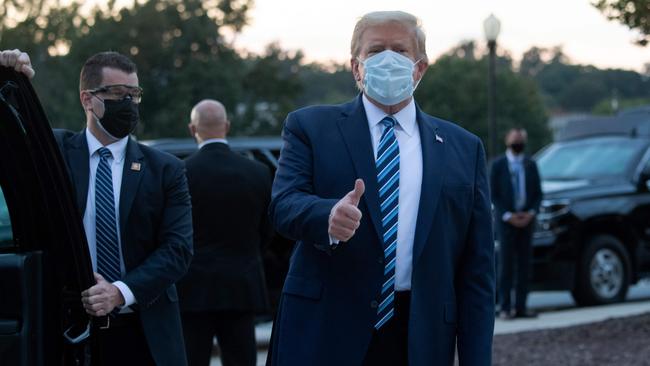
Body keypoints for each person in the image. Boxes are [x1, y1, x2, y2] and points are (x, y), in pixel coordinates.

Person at [267, 11, 495, 366]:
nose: (388, 59)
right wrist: (326, 216)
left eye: (400, 50)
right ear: (356, 67)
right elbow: (283, 205)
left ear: (420, 67)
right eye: (375, 51)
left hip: (420, 334)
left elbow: (477, 270)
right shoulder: (310, 127)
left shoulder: (463, 147)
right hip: (326, 329)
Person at [0, 49, 193, 365]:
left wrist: (119, 291)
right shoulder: (56, 152)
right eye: (118, 94)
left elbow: (178, 249)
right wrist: (13, 80)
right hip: (68, 330)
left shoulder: (165, 169)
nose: (129, 104)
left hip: (143, 332)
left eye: (135, 95)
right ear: (88, 99)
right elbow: (12, 140)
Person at [177, 99, 273, 366]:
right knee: (241, 359)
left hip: (192, 287)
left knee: (192, 359)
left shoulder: (180, 172)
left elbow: (173, 233)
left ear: (191, 128)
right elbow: (267, 230)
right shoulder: (258, 172)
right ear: (227, 126)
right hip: (241, 285)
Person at [490, 128, 542, 319]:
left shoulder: (530, 164)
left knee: (524, 265)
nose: (518, 143)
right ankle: (504, 307)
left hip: (526, 221)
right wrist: (507, 215)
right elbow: (492, 193)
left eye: (521, 140)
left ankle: (521, 306)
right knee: (505, 265)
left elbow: (538, 193)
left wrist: (530, 213)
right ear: (507, 140)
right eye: (515, 139)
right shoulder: (498, 165)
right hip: (506, 223)